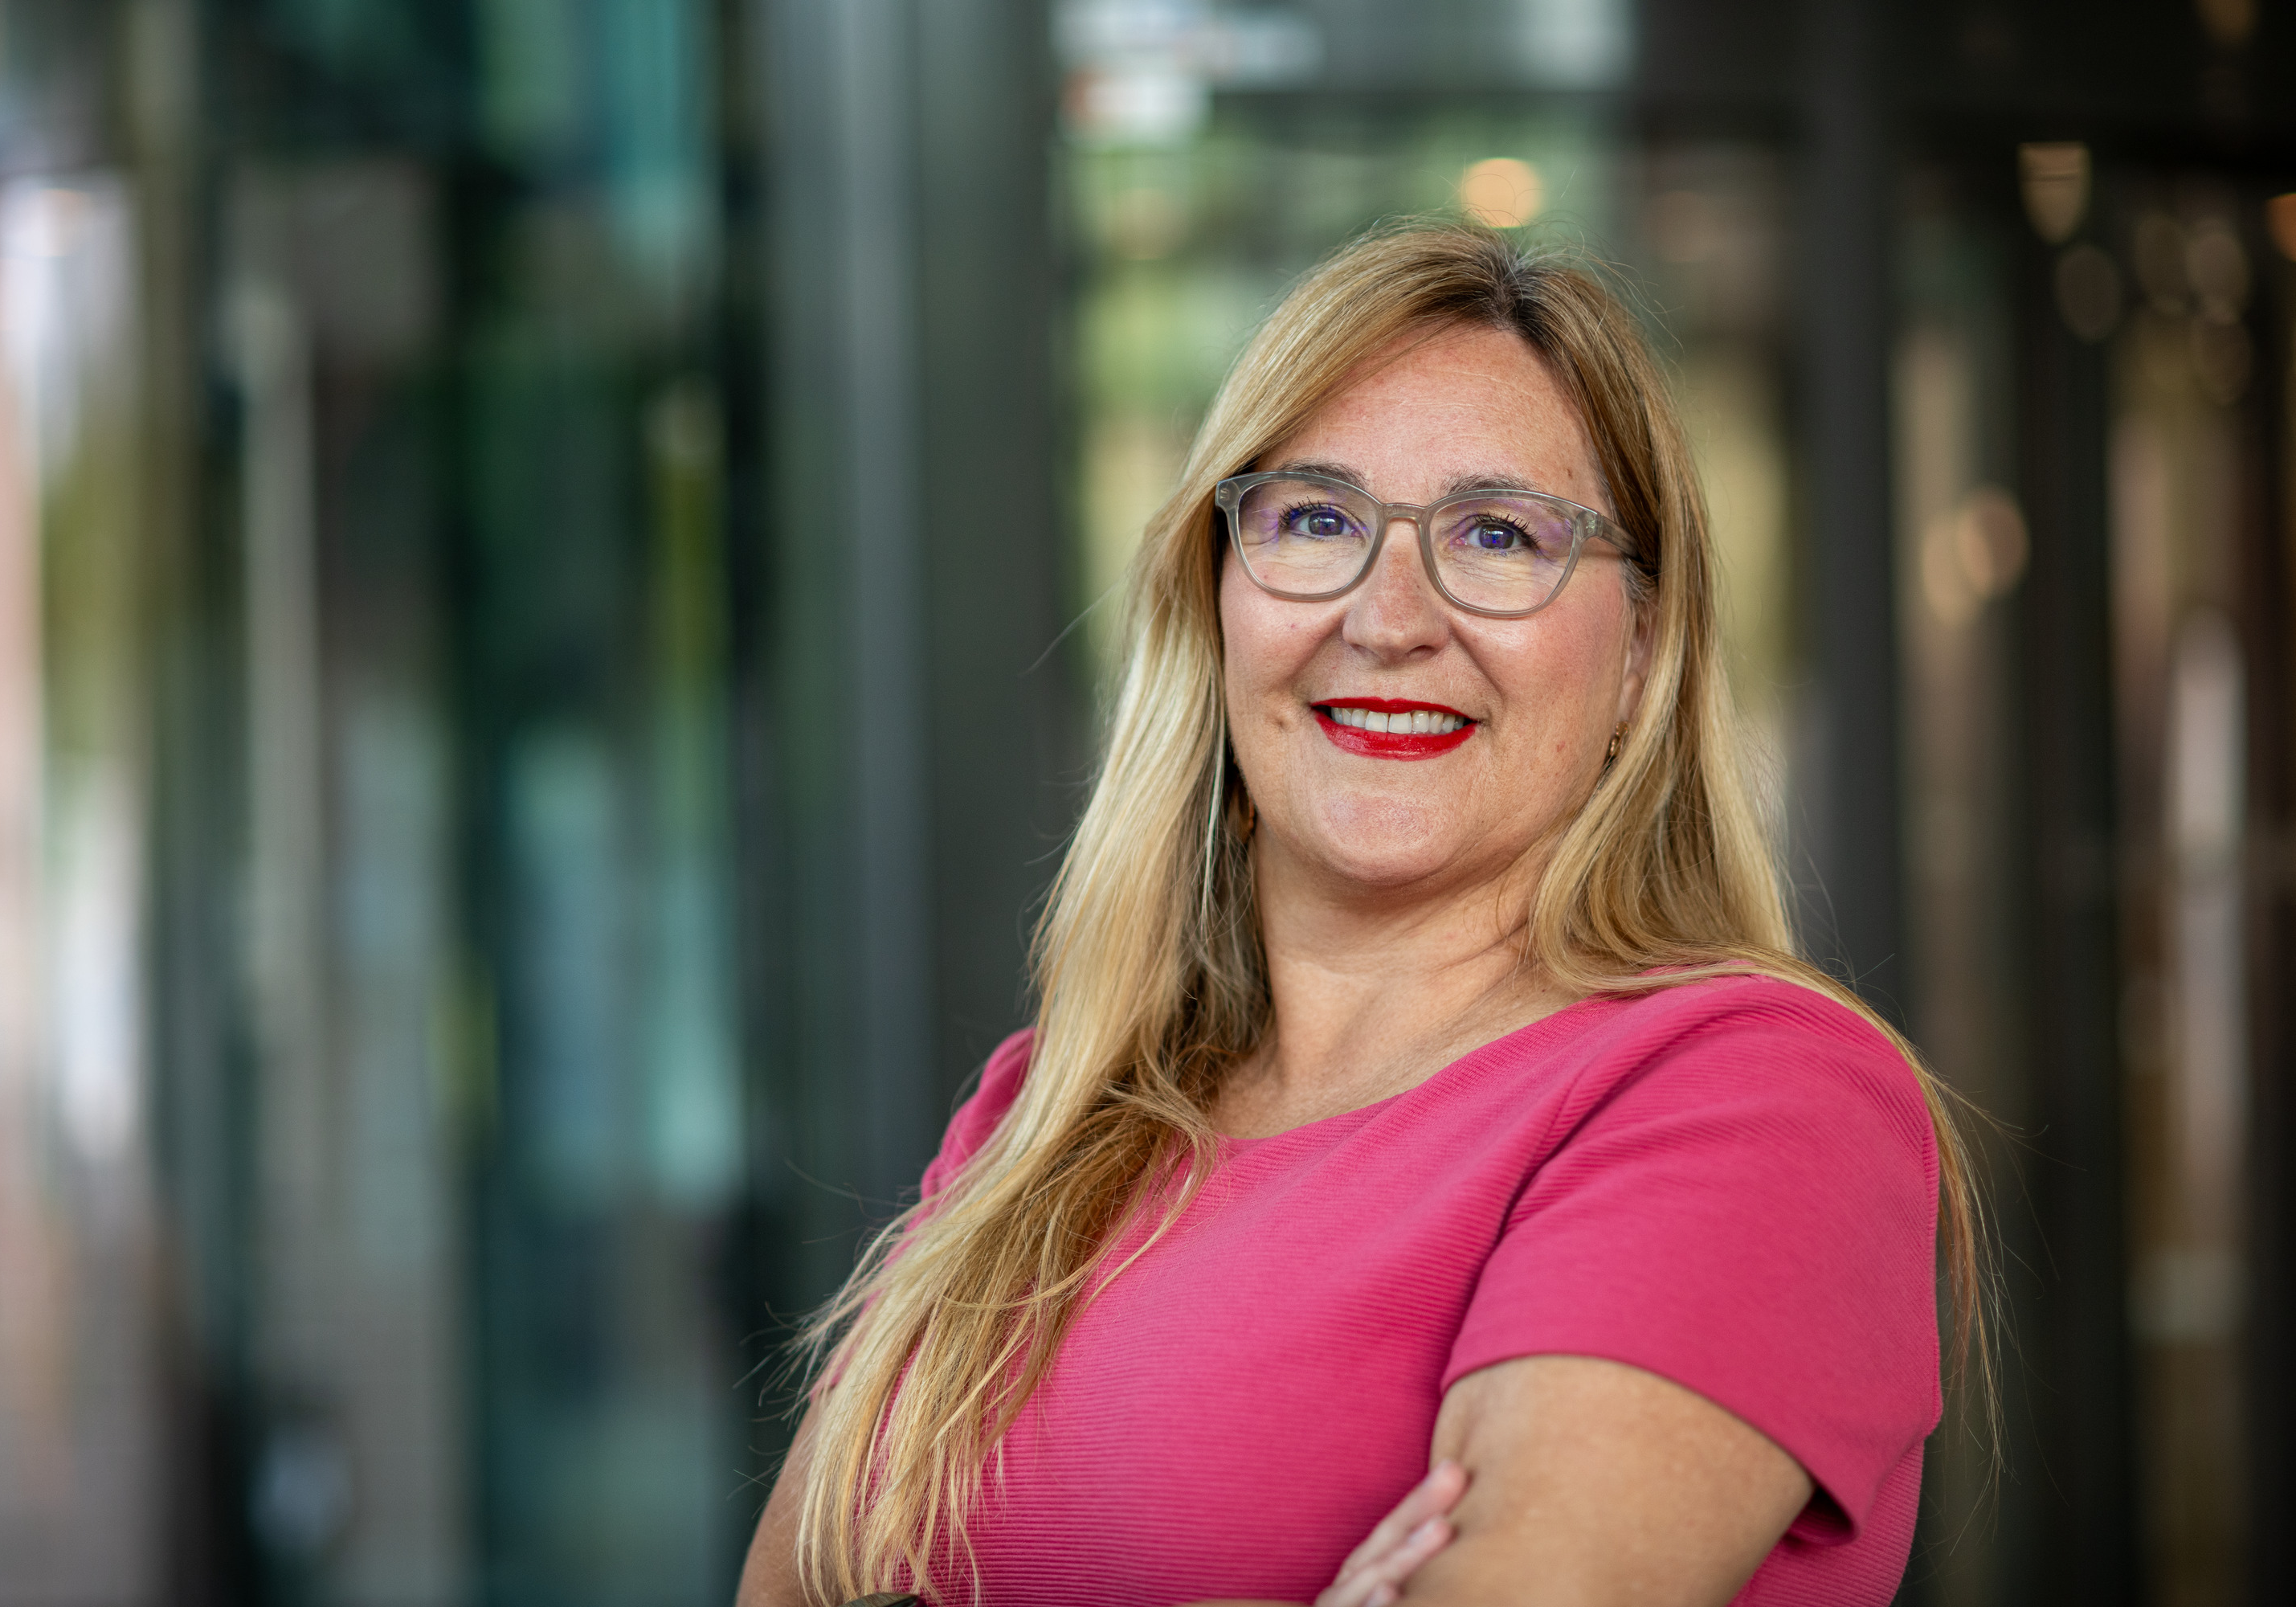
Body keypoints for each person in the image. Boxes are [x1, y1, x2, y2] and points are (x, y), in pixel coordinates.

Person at [737, 222, 1983, 1607]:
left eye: (1499, 535)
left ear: (1639, 651)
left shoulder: (1752, 1097)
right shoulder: (1047, 1118)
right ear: (1217, 606)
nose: (1390, 618)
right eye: (1316, 520)